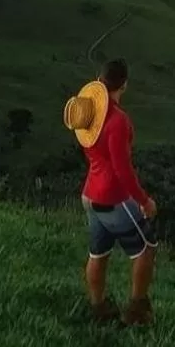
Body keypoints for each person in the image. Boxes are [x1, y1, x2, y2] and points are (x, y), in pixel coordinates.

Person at [63, 58, 158, 326]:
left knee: (98, 253)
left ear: (99, 80)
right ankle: (137, 311)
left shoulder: (89, 114)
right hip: (112, 198)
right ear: (124, 84)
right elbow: (122, 170)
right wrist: (144, 200)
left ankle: (98, 306)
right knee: (146, 249)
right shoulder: (118, 121)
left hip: (90, 196)